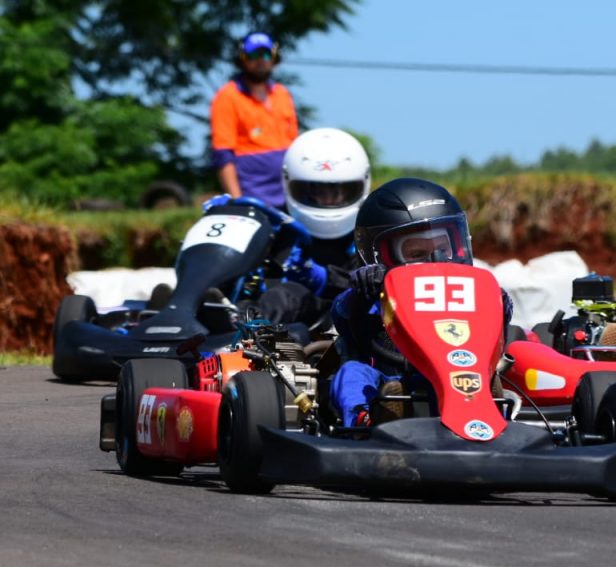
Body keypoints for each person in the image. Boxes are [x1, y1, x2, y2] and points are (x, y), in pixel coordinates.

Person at [328, 177, 511, 427]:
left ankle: (499, 415)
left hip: (464, 374)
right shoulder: (372, 299)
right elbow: (342, 314)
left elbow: (496, 323)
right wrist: (363, 290)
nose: (434, 261)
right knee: (352, 374)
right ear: (378, 256)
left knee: (520, 353)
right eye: (416, 255)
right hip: (393, 383)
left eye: (442, 251)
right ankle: (366, 419)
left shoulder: (464, 296)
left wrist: (498, 302)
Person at [200, 128, 371, 328]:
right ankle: (196, 308)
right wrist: (227, 221)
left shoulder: (366, 236)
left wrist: (322, 278)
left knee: (289, 294)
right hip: (271, 317)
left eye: (337, 191)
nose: (327, 199)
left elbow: (373, 285)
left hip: (335, 317)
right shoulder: (281, 228)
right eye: (317, 192)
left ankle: (236, 322)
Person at [210, 31, 299, 209]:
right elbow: (223, 155)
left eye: (266, 54)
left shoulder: (282, 94)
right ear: (242, 59)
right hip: (252, 198)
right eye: (253, 55)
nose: (260, 60)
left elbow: (295, 148)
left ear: (274, 58)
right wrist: (237, 201)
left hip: (289, 196)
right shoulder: (227, 96)